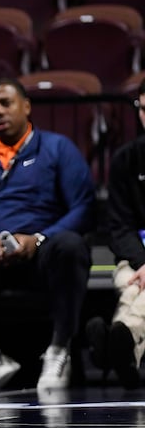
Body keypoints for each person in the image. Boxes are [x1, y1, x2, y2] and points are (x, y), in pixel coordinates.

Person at [0, 78, 95, 391]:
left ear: (26, 107)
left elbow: (83, 208)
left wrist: (39, 237)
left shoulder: (56, 148)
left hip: (41, 253)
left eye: (6, 103)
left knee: (70, 245)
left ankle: (59, 350)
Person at [84, 79, 145, 389]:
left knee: (136, 295)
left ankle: (113, 350)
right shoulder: (125, 159)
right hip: (135, 263)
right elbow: (118, 225)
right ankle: (124, 353)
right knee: (130, 285)